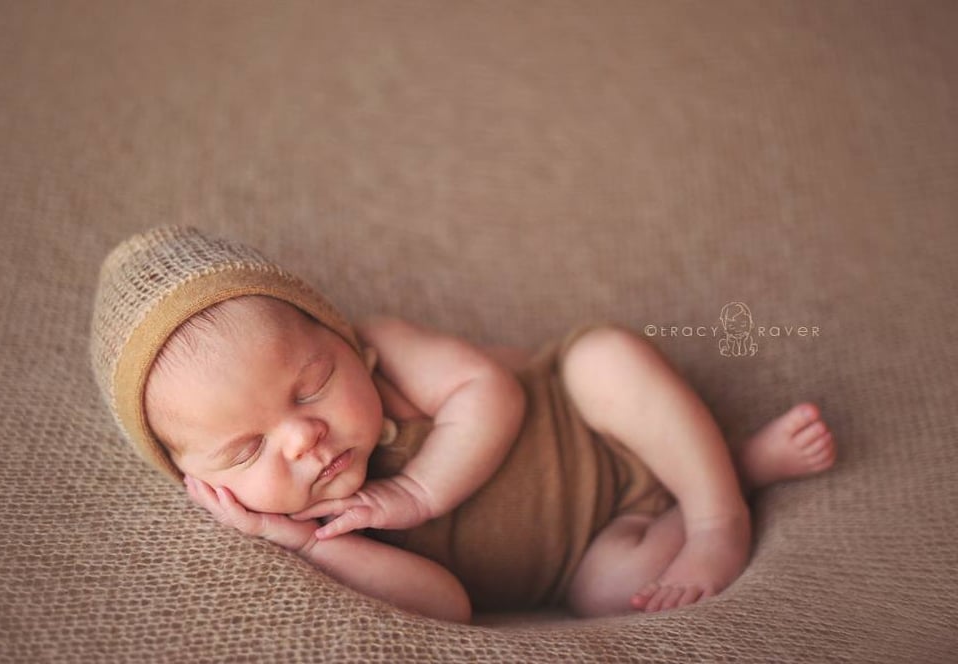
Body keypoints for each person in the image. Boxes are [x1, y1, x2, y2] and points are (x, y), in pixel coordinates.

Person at [90, 226, 836, 624]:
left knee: (607, 358)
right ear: (200, 484)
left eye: (312, 388)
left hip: (598, 423)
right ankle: (740, 467)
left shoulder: (391, 358)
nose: (300, 439)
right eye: (248, 449)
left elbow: (495, 394)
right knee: (611, 595)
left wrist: (417, 493)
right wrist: (299, 541)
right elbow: (449, 605)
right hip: (593, 547)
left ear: (344, 340)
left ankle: (717, 515)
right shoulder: (325, 528)